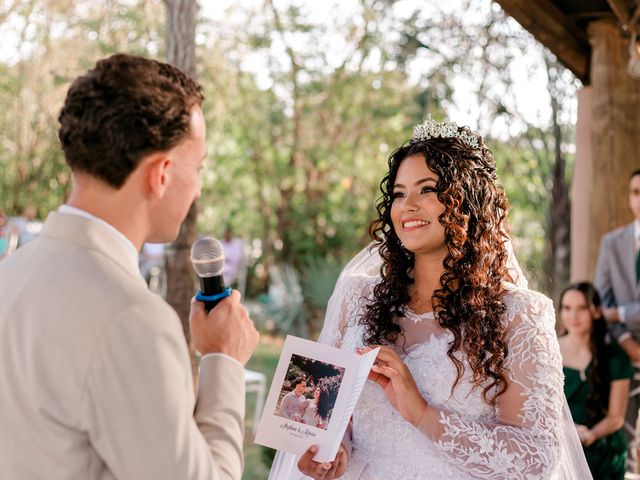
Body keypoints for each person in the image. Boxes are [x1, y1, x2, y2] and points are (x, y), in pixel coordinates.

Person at [269, 118, 591, 479]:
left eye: (427, 189)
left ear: (468, 203)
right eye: (399, 193)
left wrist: (422, 413)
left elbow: (537, 458)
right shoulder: (355, 296)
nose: (408, 206)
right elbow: (330, 414)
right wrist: (332, 451)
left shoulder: (518, 314)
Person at [0, 53, 259, 480]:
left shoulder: (12, 274)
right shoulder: (131, 317)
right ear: (162, 174)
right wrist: (223, 359)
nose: (196, 189)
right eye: (198, 167)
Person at [559, 282, 633, 479]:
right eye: (567, 308)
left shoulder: (615, 357)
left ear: (597, 311)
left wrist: (590, 435)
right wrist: (569, 431)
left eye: (582, 308)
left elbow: (616, 417)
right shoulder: (548, 352)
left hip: (602, 445)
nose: (573, 315)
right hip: (561, 439)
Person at [595, 168, 640, 469]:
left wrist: (621, 313)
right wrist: (626, 340)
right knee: (626, 438)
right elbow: (601, 301)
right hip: (625, 353)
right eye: (636, 192)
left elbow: (613, 309)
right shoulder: (612, 243)